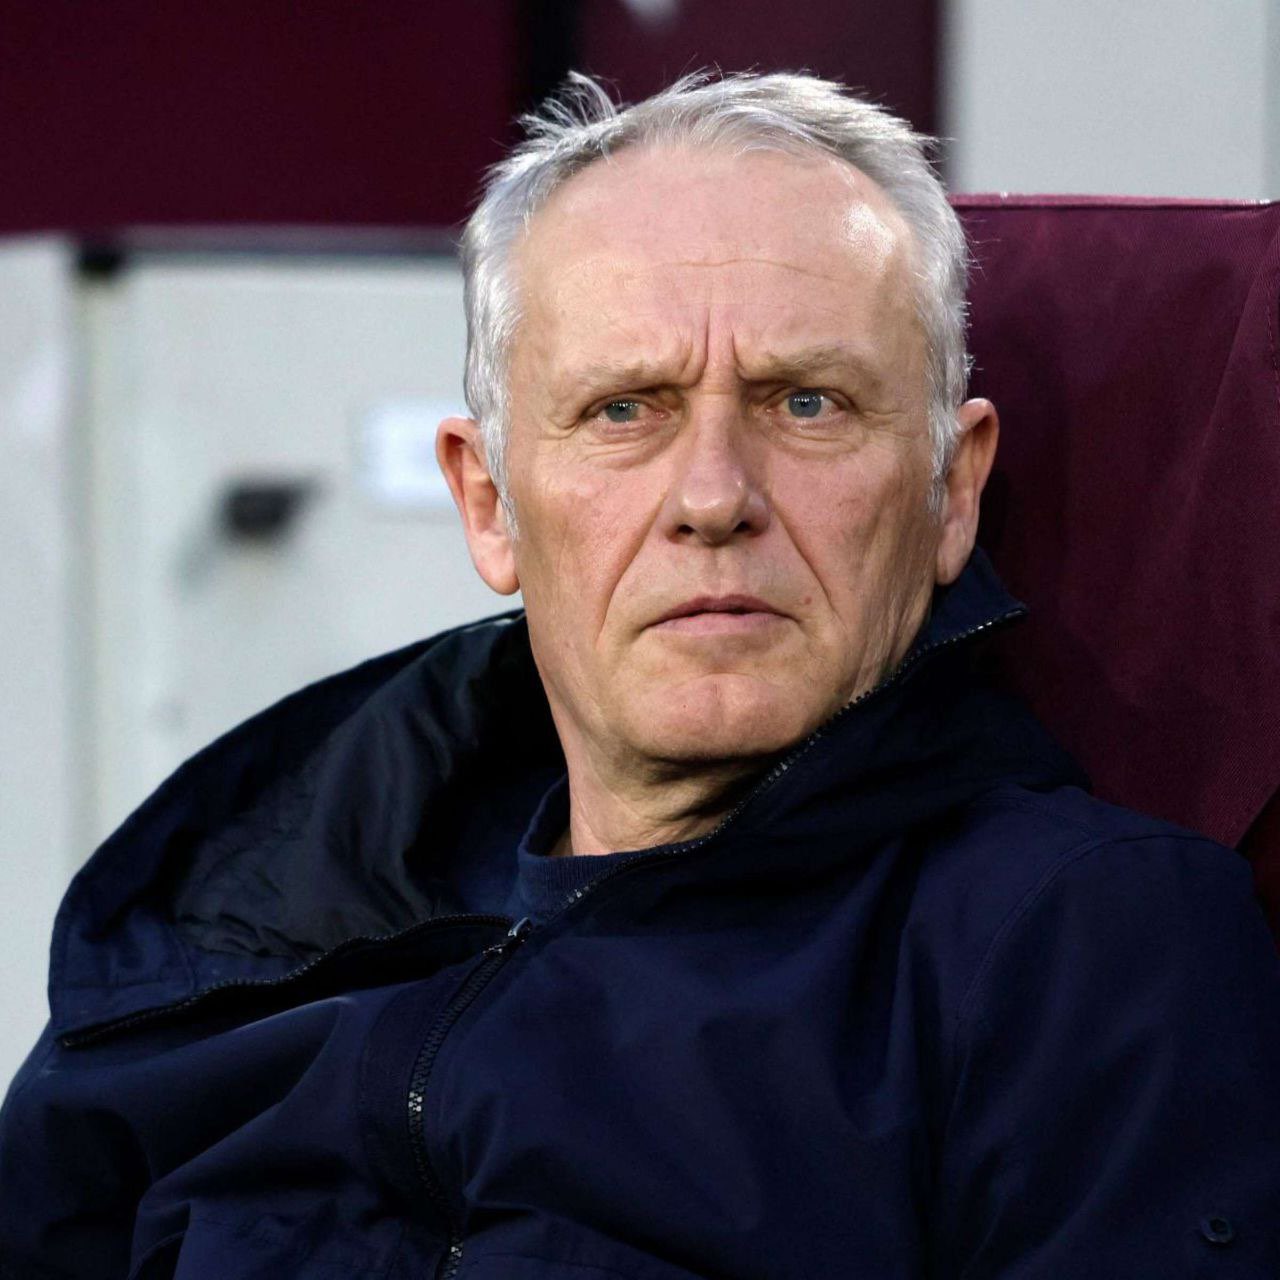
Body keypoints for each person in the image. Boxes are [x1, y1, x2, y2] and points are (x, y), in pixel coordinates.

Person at [2, 70, 1278, 1278]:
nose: (712, 497)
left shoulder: (1075, 946)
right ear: (488, 501)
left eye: (806, 402)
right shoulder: (251, 894)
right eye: (624, 408)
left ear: (951, 489)